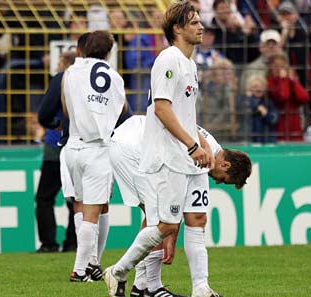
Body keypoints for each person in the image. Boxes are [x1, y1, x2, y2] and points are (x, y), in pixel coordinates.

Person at [104, 2, 223, 297]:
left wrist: (202, 141)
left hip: (186, 156)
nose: (201, 27)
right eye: (194, 22)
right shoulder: (168, 59)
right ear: (177, 29)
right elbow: (161, 109)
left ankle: (201, 288)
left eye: (200, 21)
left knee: (197, 217)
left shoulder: (189, 63)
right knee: (167, 225)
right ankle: (119, 271)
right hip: (166, 157)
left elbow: (183, 113)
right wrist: (193, 144)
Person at [110, 115, 251, 297]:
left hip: (143, 143)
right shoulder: (201, 151)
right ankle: (143, 285)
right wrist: (170, 230)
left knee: (168, 218)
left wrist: (172, 235)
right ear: (225, 164)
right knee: (157, 217)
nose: (218, 182)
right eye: (223, 179)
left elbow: (195, 216)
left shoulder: (205, 157)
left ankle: (192, 288)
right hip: (131, 146)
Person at [61, 30, 127, 282]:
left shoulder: (70, 72)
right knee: (93, 210)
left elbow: (66, 109)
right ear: (109, 53)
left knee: (80, 206)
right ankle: (82, 269)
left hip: (73, 146)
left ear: (84, 49)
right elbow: (122, 110)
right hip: (98, 147)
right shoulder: (115, 78)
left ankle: (90, 265)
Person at [35, 51, 78, 253]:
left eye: (59, 62)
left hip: (56, 146)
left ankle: (49, 244)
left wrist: (55, 124)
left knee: (45, 197)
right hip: (81, 145)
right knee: (76, 198)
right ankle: (73, 243)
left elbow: (44, 113)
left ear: (66, 63)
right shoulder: (87, 80)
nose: (55, 67)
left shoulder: (61, 79)